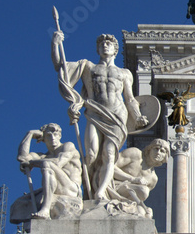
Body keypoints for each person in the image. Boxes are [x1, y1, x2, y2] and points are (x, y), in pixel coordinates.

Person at [51, 32, 148, 200]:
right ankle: (87, 193)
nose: (105, 46)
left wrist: (138, 116)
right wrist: (55, 44)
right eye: (102, 44)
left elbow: (130, 98)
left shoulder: (124, 73)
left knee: (109, 154)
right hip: (95, 112)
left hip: (117, 115)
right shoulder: (88, 67)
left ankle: (101, 191)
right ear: (97, 49)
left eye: (108, 44)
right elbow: (61, 67)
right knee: (91, 153)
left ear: (115, 50)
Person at [11, 123, 82, 221]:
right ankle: (44, 207)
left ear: (60, 136)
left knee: (47, 165)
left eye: (55, 134)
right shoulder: (43, 156)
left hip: (71, 189)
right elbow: (22, 158)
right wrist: (30, 134)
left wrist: (32, 163)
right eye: (49, 135)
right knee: (20, 204)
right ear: (43, 139)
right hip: (55, 188)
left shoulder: (68, 146)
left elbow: (57, 163)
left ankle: (45, 210)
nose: (53, 138)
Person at [107, 139, 170, 217]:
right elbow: (109, 167)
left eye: (162, 151)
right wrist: (132, 179)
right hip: (112, 186)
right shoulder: (135, 154)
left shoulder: (153, 179)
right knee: (144, 190)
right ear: (149, 149)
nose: (158, 153)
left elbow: (137, 199)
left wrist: (145, 209)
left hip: (128, 199)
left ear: (165, 156)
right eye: (156, 149)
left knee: (145, 215)